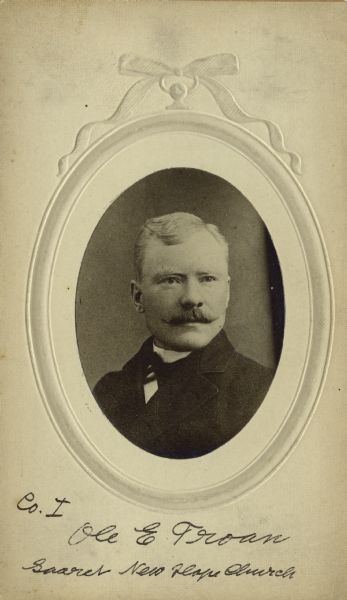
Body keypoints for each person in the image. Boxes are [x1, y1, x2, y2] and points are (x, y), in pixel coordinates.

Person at [93, 212, 274, 459]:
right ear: (138, 297)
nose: (191, 298)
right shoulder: (108, 392)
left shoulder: (261, 391)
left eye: (208, 279)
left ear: (228, 292)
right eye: (171, 280)